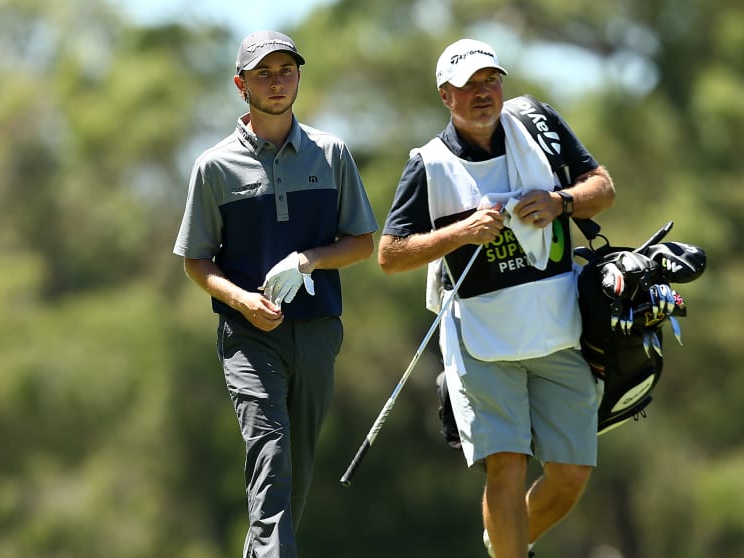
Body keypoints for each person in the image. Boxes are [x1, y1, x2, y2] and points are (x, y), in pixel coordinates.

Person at [378, 39, 616, 558]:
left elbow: (602, 187)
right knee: (507, 466)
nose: (483, 93)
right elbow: (391, 254)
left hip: (558, 330)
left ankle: (505, 542)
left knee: (572, 473)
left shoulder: (539, 124)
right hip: (481, 340)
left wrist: (560, 201)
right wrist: (462, 233)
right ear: (446, 96)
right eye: (468, 86)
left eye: (490, 81)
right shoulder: (429, 163)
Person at [173, 30, 378, 558]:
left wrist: (310, 258)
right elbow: (197, 260)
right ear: (241, 84)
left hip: (317, 330)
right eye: (263, 72)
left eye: (285, 69)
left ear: (298, 76)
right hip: (248, 337)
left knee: (296, 464)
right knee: (271, 452)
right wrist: (241, 300)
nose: (277, 81)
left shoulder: (331, 154)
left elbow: (360, 243)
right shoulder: (214, 167)